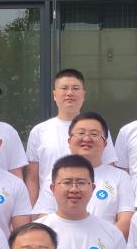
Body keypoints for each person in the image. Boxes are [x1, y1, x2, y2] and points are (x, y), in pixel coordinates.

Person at [32, 112, 134, 234]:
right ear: (69, 141)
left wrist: (100, 242)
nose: (86, 139)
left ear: (105, 144)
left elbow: (125, 220)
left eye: (94, 134)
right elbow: (44, 218)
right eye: (80, 133)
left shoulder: (120, 177)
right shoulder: (55, 176)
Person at [26, 69, 119, 204]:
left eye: (75, 88)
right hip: (49, 207)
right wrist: (33, 210)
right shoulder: (39, 131)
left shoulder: (98, 129)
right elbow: (32, 177)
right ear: (54, 95)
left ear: (83, 94)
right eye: (64, 88)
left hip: (93, 205)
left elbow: (109, 169)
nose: (70, 93)